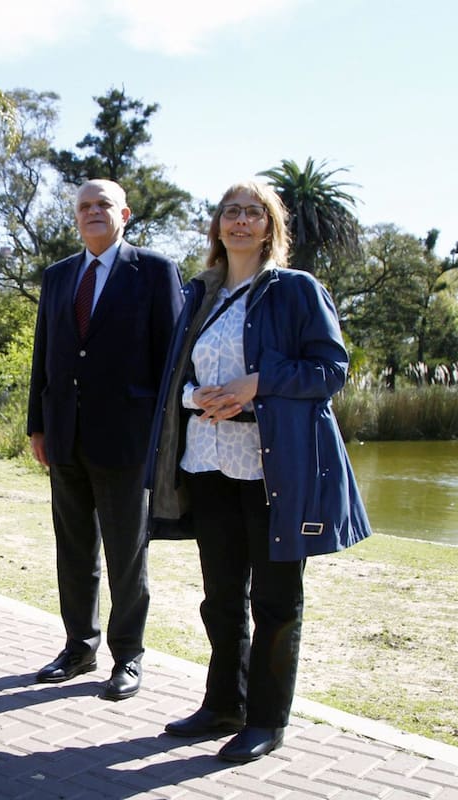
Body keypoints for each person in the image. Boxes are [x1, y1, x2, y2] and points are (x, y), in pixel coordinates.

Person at [145, 180, 371, 762]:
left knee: (274, 599)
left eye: (253, 213)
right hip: (207, 462)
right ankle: (225, 702)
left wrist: (256, 386)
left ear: (270, 227)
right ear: (218, 226)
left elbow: (329, 370)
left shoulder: (297, 291)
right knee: (220, 596)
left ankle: (267, 720)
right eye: (231, 212)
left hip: (272, 469)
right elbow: (179, 378)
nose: (241, 222)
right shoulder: (203, 293)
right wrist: (200, 398)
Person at [27, 179, 182, 701]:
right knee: (73, 552)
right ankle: (79, 646)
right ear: (76, 216)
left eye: (103, 206)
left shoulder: (155, 272)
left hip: (127, 440)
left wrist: (162, 437)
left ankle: (128, 656)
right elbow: (43, 355)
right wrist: (37, 425)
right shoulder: (58, 277)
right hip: (65, 435)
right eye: (84, 206)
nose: (93, 212)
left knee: (126, 555)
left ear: (125, 214)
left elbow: (171, 363)